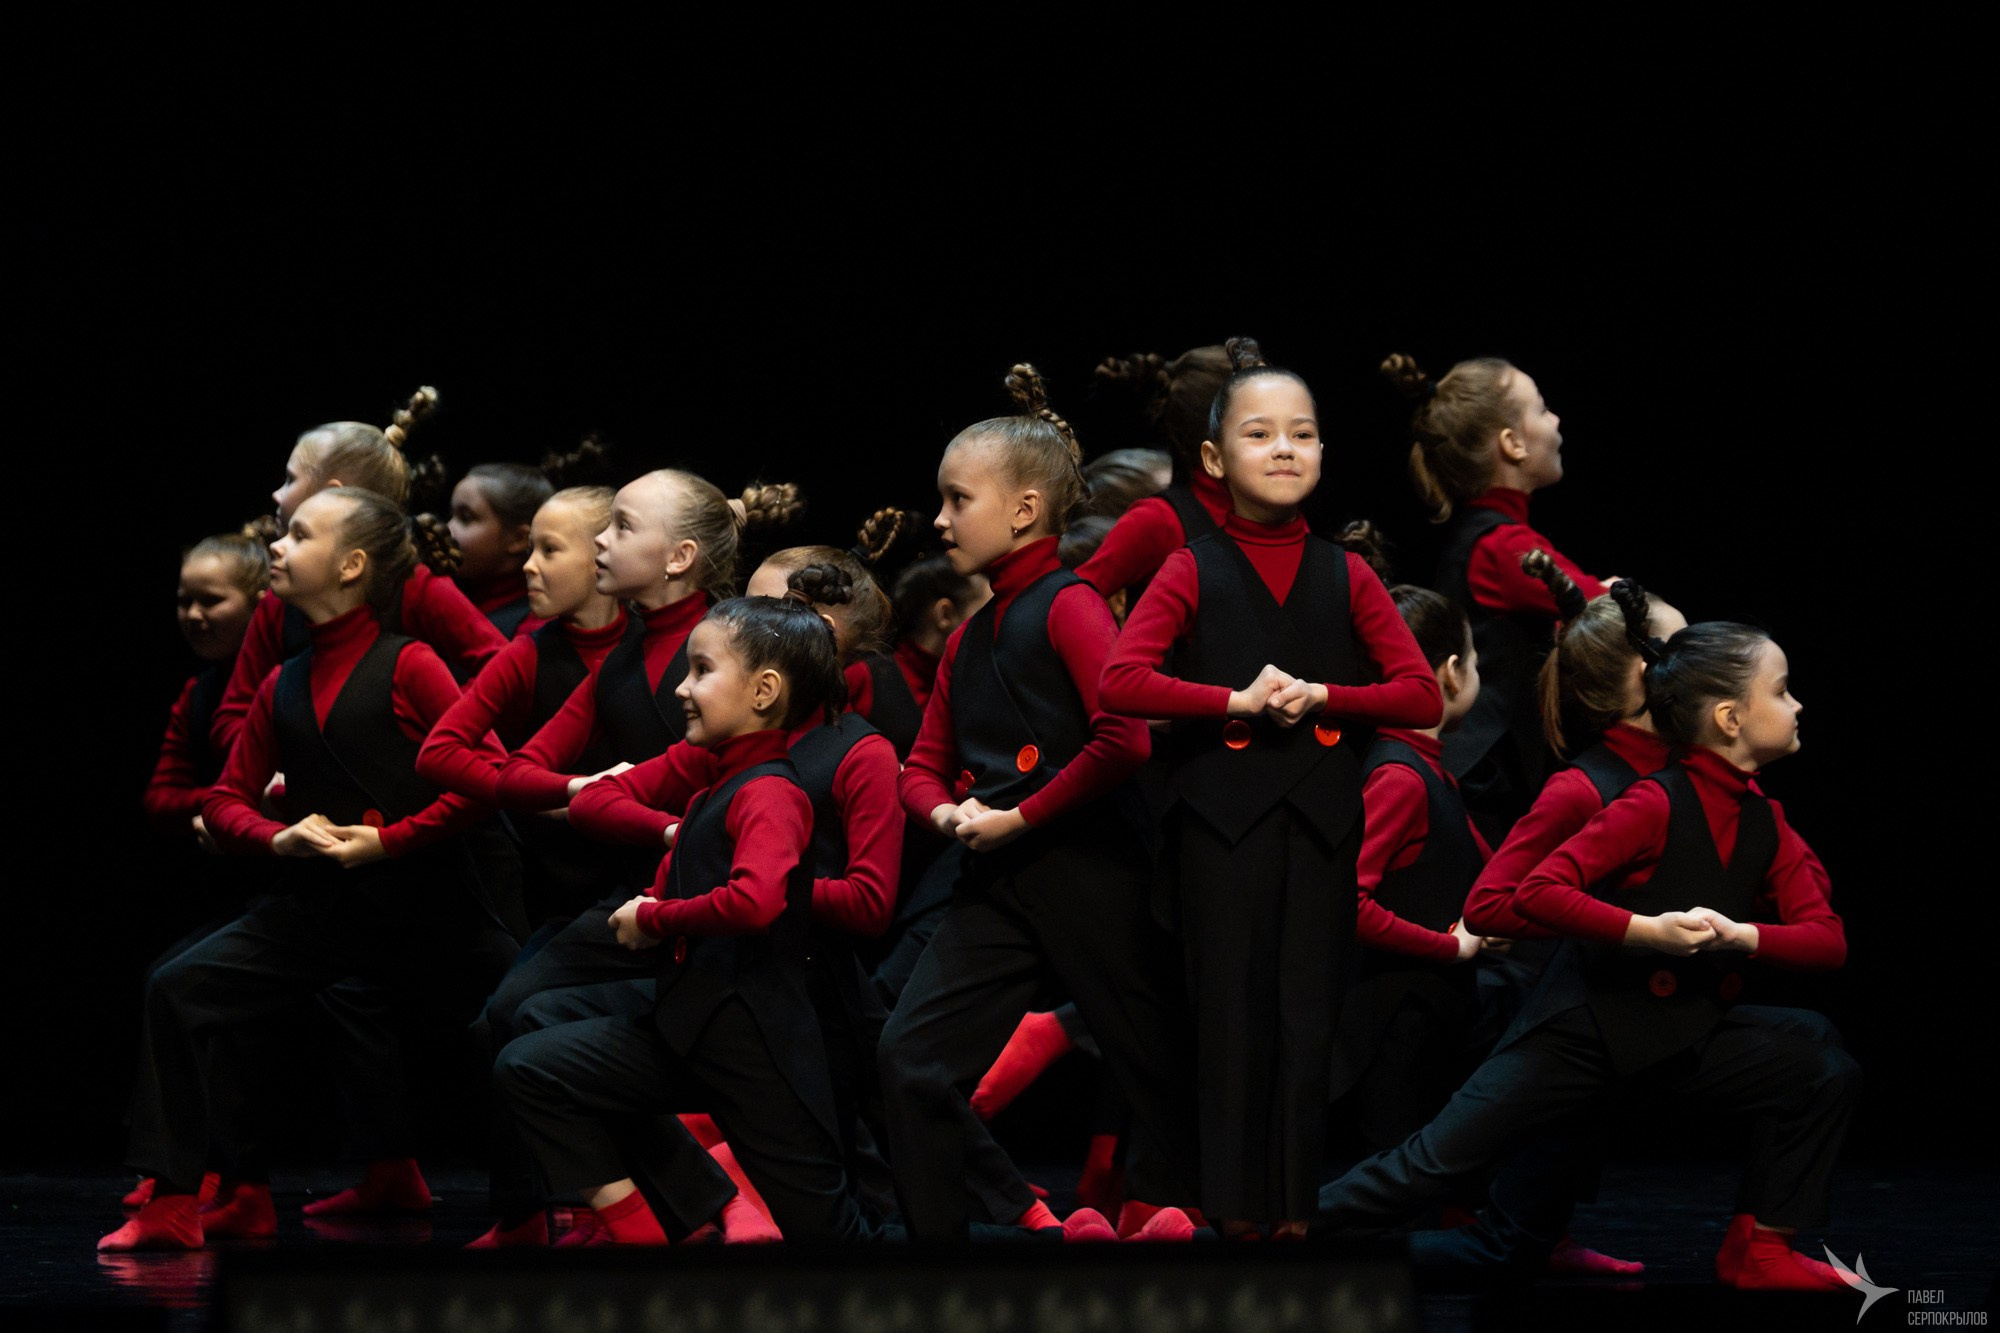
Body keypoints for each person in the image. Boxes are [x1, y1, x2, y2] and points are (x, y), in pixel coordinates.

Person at [1316, 617, 1859, 1291]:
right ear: (1726, 714)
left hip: (1660, 1033)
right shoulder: (1637, 796)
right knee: (1433, 1174)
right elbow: (1521, 893)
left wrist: (1739, 933)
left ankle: (1761, 1247)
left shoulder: (1756, 814)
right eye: (1782, 691)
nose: (1796, 704)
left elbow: (1826, 938)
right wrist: (1644, 930)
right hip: (1582, 1030)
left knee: (1815, 1053)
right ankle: (1251, 1236)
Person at [102, 488, 521, 1251]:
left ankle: (532, 1211)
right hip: (324, 909)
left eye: (297, 534)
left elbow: (484, 776)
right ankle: (169, 1199)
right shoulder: (282, 679)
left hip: (427, 905)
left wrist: (391, 841)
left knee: (517, 1015)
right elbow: (227, 796)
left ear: (353, 564)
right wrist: (277, 838)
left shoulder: (412, 663)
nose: (277, 545)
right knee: (178, 985)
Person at [1101, 337, 1442, 1238]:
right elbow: (1120, 681)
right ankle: (1231, 1216)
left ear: (1325, 453)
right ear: (1215, 459)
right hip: (1220, 827)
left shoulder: (1349, 572)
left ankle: (1293, 1217)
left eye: (1303, 433)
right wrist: (1233, 699)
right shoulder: (1191, 565)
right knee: (1227, 1024)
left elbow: (1420, 693)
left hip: (1324, 828)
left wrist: (1329, 693)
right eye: (1261, 433)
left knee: (1304, 1024)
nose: (1285, 448)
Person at [880, 363, 1201, 1244]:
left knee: (1156, 1065)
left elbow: (1124, 737)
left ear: (1023, 511)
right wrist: (945, 814)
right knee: (910, 1063)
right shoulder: (973, 634)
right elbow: (923, 764)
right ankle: (945, 1258)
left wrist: (1017, 815)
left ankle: (1183, 1230)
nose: (939, 519)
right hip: (998, 878)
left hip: (1095, 867)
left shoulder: (1070, 605)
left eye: (957, 499)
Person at [490, 596, 871, 1244]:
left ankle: (1048, 1253)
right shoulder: (718, 777)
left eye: (700, 670)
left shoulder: (771, 790)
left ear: (764, 690)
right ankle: (645, 1242)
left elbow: (758, 901)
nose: (682, 688)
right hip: (691, 1024)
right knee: (530, 1062)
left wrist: (658, 917)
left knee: (839, 1240)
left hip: (753, 1045)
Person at [1383, 353, 1617, 841]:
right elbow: (1606, 612)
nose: (1554, 421)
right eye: (1541, 409)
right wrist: (1614, 593)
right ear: (1511, 443)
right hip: (1488, 774)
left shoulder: (1497, 535)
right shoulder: (1501, 546)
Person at [210, 386, 506, 757]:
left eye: (289, 479)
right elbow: (232, 717)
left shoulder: (414, 587)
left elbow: (505, 671)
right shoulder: (278, 602)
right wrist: (276, 765)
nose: (276, 494)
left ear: (332, 496)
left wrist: (429, 725)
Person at [418, 485, 628, 929]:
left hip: (637, 865)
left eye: (549, 550)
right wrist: (541, 794)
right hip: (550, 875)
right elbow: (438, 752)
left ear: (604, 555)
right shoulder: (525, 654)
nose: (529, 566)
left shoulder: (651, 645)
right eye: (531, 548)